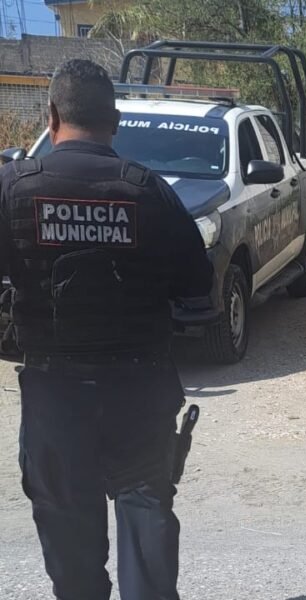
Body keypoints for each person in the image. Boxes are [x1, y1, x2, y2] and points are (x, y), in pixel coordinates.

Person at [0, 60, 213, 599]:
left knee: (71, 554)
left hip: (54, 391)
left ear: (51, 116)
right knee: (146, 534)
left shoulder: (14, 189)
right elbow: (198, 289)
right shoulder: (150, 192)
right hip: (139, 390)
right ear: (114, 120)